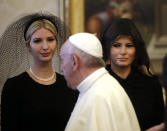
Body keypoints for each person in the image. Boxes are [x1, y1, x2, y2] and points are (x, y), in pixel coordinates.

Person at [1, 12, 78, 131]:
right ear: (28, 45)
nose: (45, 46)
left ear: (56, 42)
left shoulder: (70, 86)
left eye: (50, 39)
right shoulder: (14, 87)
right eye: (37, 41)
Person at [60, 32, 140, 131]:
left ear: (74, 62)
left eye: (63, 60)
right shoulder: (103, 86)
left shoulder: (98, 96)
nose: (61, 68)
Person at [101, 18, 165, 131]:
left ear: (137, 50)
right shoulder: (98, 83)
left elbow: (160, 124)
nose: (123, 51)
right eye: (117, 45)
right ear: (107, 49)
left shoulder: (151, 85)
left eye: (129, 45)